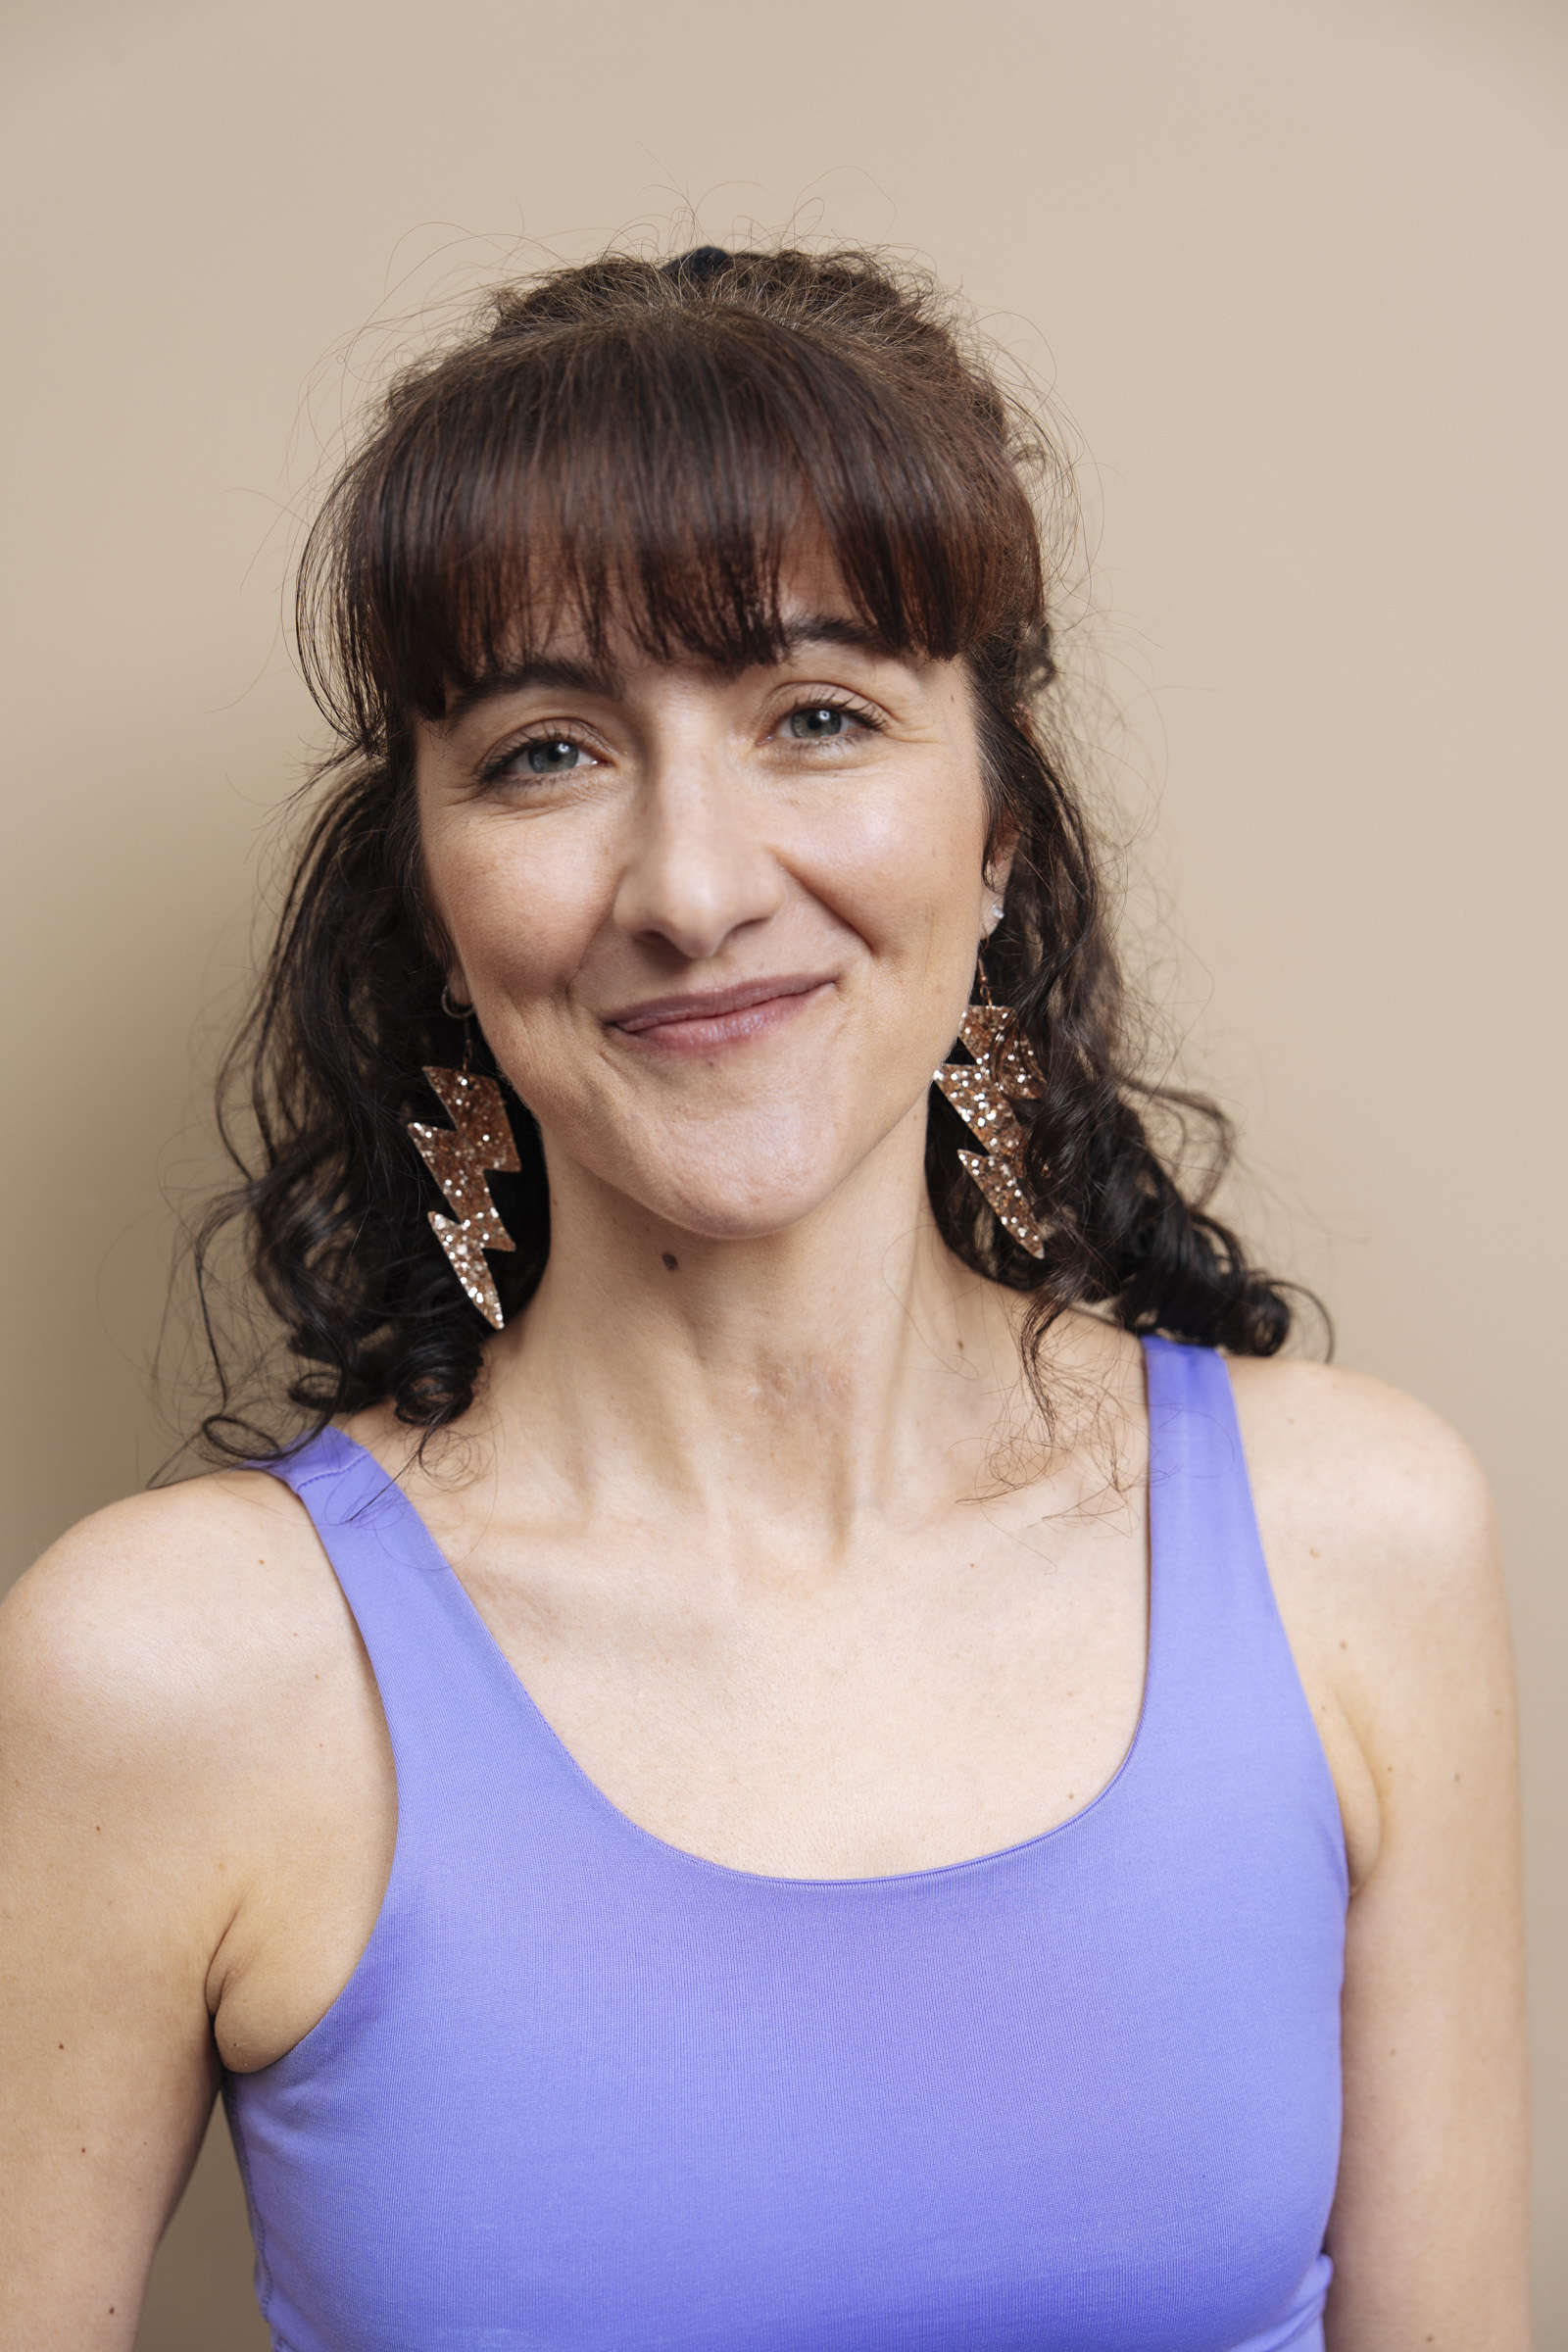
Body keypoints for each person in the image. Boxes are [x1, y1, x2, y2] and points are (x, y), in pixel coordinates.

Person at [0, 245, 1527, 2350]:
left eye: (817, 718)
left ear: (998, 827)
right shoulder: (169, 1672)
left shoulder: (1355, 1541)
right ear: (431, 895)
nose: (697, 887)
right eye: (548, 752)